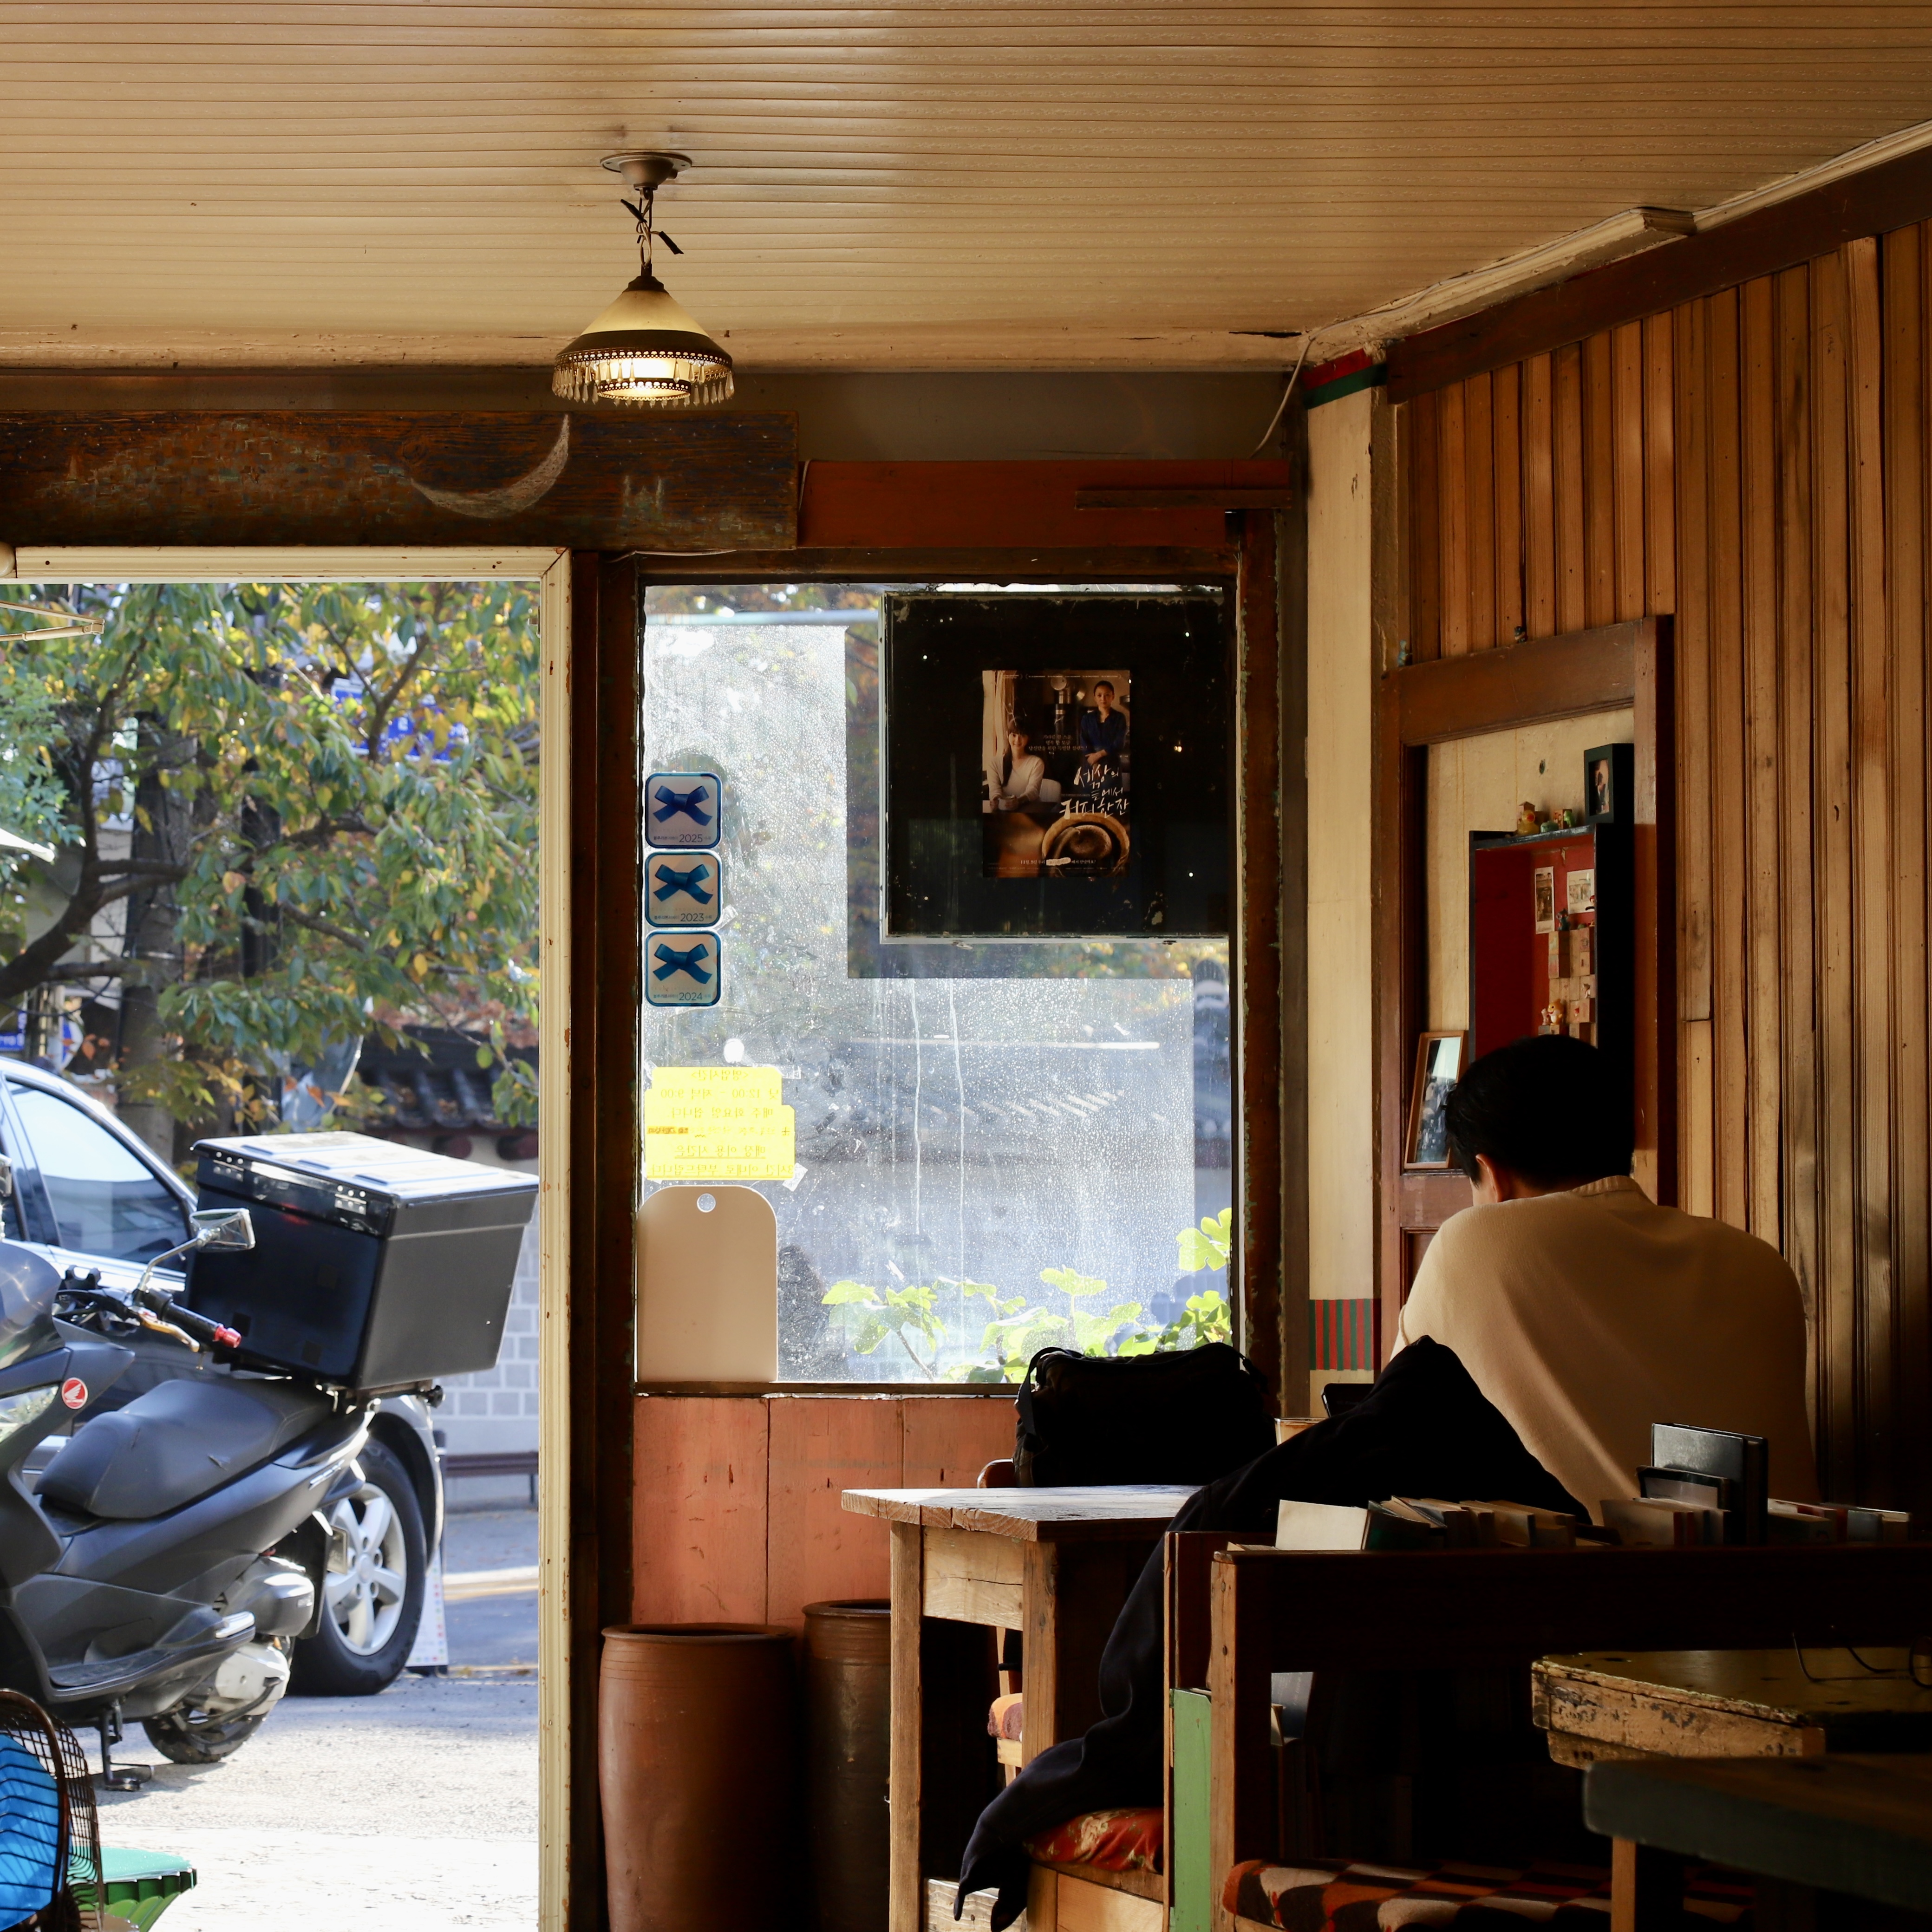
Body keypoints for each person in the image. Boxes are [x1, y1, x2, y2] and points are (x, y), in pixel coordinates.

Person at [955, 1035, 1816, 1928]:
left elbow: (1400, 1424)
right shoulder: (1755, 1263)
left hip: (1571, 1673)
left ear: (1490, 1172)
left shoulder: (1482, 1243)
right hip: (1772, 1665)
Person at [1077, 681, 1127, 773]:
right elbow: (1084, 742)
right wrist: (1094, 763)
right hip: (1091, 763)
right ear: (1095, 698)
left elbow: (1119, 743)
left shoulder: (1119, 718)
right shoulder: (1087, 718)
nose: (1103, 699)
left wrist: (1099, 755)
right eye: (1099, 695)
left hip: (1112, 763)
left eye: (1107, 695)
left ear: (1113, 697)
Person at [1000, 725, 1045, 803]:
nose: (1017, 740)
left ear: (1028, 738)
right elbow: (995, 791)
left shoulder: (1037, 763)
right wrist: (995, 800)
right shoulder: (995, 762)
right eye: (1014, 735)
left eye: (1022, 736)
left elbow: (1033, 790)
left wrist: (1019, 801)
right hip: (1003, 807)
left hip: (1031, 807)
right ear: (1008, 735)